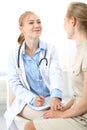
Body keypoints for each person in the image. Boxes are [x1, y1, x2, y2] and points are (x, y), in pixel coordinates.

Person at [24, 2, 87, 130]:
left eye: (64, 20)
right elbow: (78, 94)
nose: (63, 25)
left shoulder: (85, 51)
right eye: (31, 23)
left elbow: (85, 102)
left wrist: (61, 114)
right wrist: (66, 107)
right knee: (42, 118)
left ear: (73, 21)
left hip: (83, 118)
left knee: (29, 127)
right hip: (76, 109)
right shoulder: (79, 49)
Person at [4, 11, 63, 129]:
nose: (37, 25)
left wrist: (55, 96)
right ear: (22, 28)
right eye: (31, 23)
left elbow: (55, 73)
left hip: (50, 100)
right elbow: (15, 84)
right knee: (50, 120)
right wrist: (32, 99)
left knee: (66, 117)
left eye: (39, 22)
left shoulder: (50, 49)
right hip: (26, 102)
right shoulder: (13, 55)